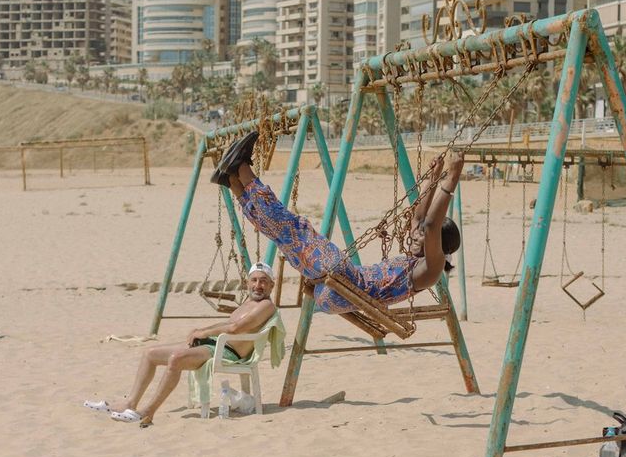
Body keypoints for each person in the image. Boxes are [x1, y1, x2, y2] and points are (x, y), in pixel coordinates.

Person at [210, 131, 462, 314]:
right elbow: (420, 219)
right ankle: (232, 181)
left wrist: (451, 180)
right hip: (335, 289)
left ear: (440, 245)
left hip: (346, 284)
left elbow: (429, 225)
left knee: (292, 228)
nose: (416, 235)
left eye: (425, 237)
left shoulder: (431, 268)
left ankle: (241, 166)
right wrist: (433, 177)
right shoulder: (420, 259)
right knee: (281, 236)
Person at [85, 262, 278, 424]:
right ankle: (130, 403)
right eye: (254, 280)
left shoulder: (266, 306)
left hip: (227, 352)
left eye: (263, 281)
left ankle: (148, 412)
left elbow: (236, 328)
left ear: (271, 286)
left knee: (175, 359)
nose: (258, 285)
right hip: (214, 344)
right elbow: (229, 324)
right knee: (149, 353)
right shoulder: (248, 302)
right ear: (247, 283)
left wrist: (204, 331)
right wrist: (201, 333)